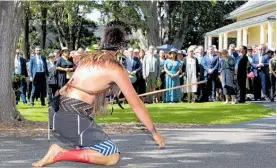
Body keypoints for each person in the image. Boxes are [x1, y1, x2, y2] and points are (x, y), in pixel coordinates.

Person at [32, 26, 165, 167]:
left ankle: (81, 147)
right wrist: (154, 132)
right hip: (71, 115)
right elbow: (137, 105)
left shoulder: (88, 60)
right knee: (111, 155)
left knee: (92, 146)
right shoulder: (115, 68)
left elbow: (88, 92)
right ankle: (59, 153)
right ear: (120, 48)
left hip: (56, 111)